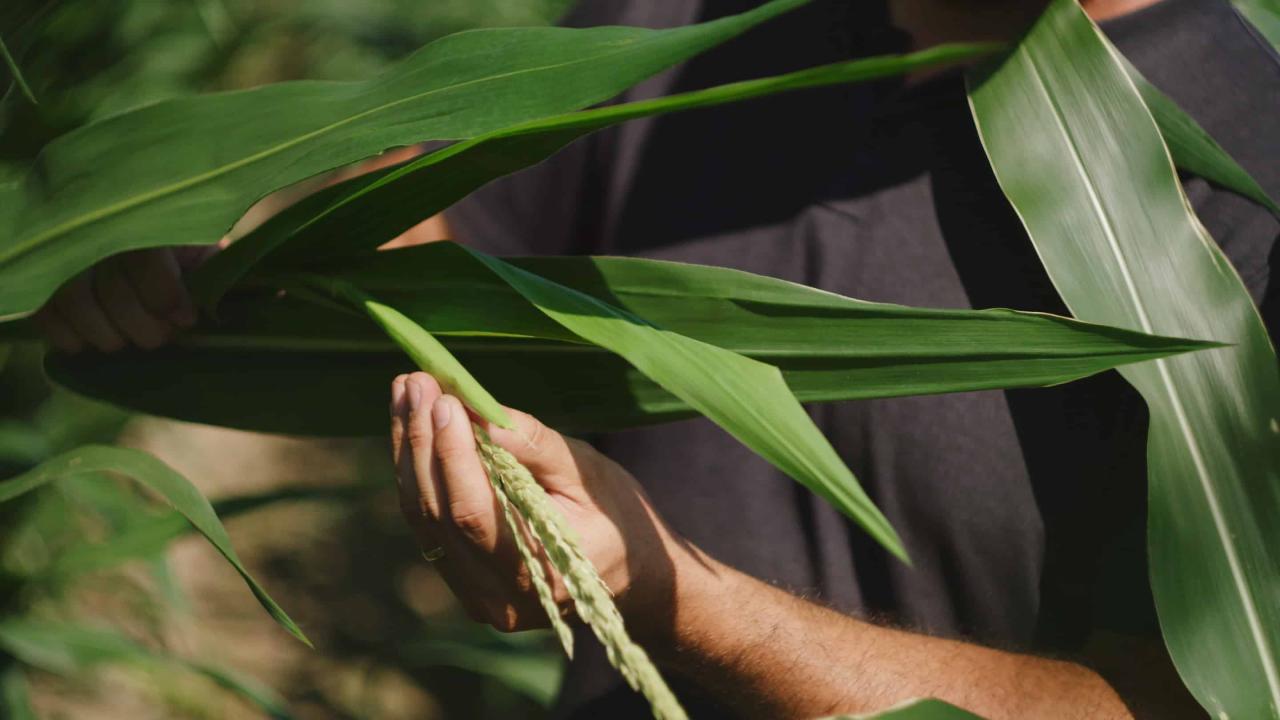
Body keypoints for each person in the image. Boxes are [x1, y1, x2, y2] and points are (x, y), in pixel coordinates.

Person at [35, 0, 1278, 717]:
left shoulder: (1245, 183)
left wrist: (685, 605)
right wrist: (202, 239)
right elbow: (430, 220)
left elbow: (1180, 707)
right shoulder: (695, 26)